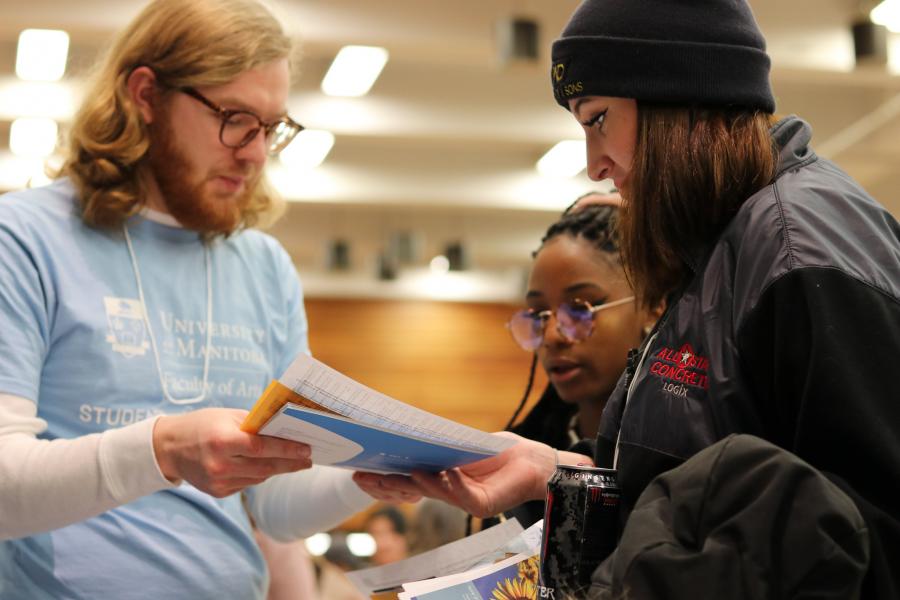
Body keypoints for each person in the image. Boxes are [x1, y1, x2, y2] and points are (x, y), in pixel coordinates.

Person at [354, 0, 900, 596]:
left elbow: (867, 536)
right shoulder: (723, 247)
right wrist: (554, 473)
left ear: (676, 95)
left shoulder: (799, 245)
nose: (594, 165)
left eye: (597, 120)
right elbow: (685, 492)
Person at [0, 1, 375, 597]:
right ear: (145, 95)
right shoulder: (21, 238)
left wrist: (380, 475)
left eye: (272, 127)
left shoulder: (263, 266)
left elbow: (273, 504)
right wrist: (163, 448)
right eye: (235, 118)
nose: (254, 152)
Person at [498, 198, 658, 527]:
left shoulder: (678, 457)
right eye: (539, 315)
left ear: (651, 303)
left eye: (580, 309)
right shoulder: (519, 462)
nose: (553, 335)